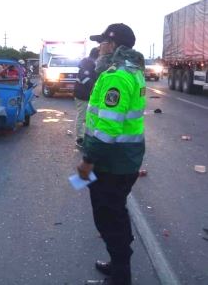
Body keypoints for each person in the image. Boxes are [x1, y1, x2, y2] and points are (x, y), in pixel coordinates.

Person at [77, 23, 146, 285]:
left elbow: (107, 129)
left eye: (102, 42)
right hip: (124, 159)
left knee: (108, 217)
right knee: (116, 212)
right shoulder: (133, 71)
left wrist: (86, 162)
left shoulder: (115, 76)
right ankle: (118, 264)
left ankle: (120, 276)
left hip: (111, 162)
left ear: (114, 45)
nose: (98, 47)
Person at [74, 47, 99, 147]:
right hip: (82, 94)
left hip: (84, 94)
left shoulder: (89, 62)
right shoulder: (88, 63)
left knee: (87, 116)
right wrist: (96, 87)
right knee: (82, 116)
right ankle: (80, 138)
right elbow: (84, 78)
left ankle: (85, 136)